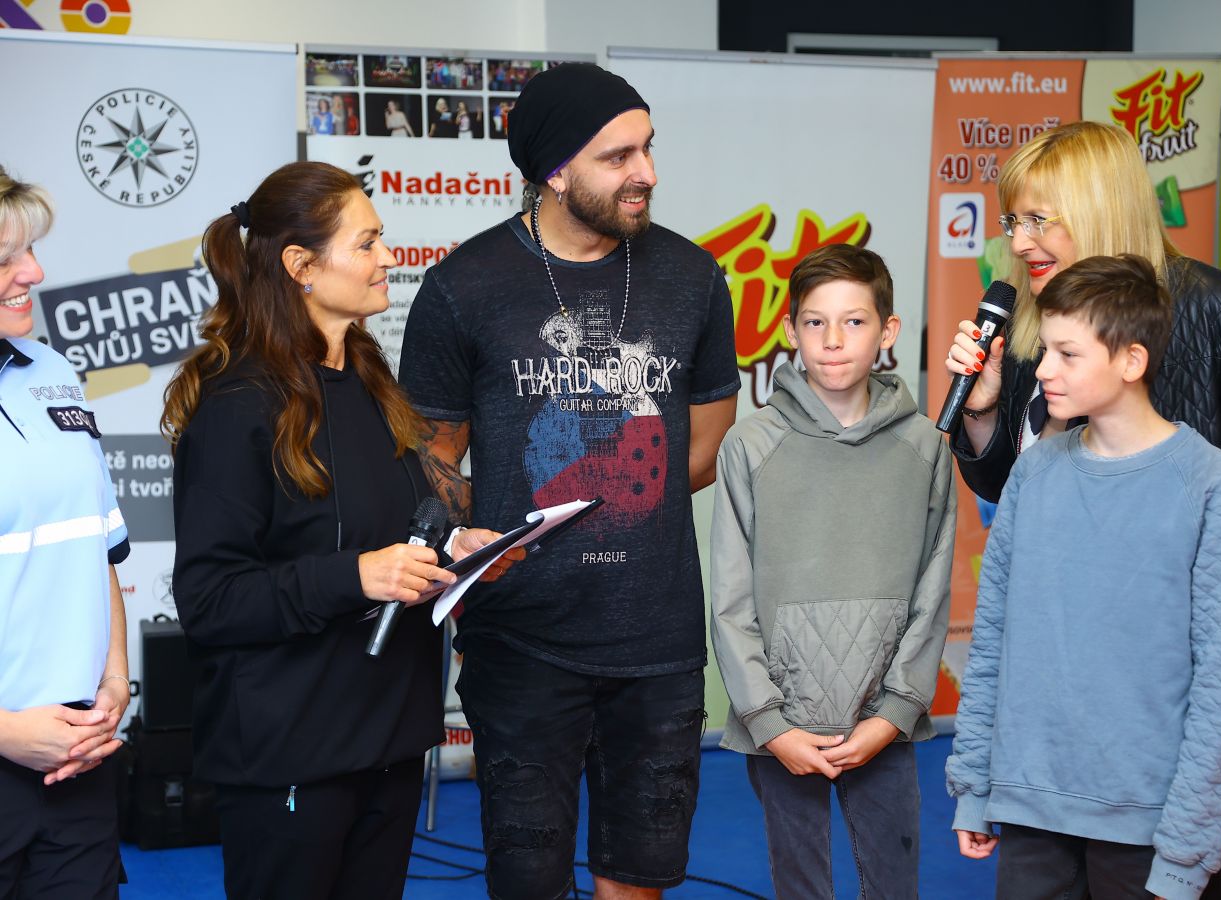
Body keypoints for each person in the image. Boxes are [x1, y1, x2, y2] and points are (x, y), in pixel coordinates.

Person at [943, 121, 1221, 898]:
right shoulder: (1037, 322)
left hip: (1156, 703)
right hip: (1053, 704)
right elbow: (1015, 489)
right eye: (1013, 221)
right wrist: (984, 414)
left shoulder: (1217, 306)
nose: (1020, 241)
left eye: (1038, 218)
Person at [399, 62, 739, 899]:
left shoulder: (692, 278)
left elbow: (704, 447)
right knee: (528, 879)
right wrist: (491, 527)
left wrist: (615, 493)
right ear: (554, 171)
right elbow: (431, 462)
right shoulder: (461, 288)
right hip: (519, 642)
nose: (647, 173)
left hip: (656, 642)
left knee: (639, 876)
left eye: (649, 148)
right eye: (619, 155)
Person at [162, 161, 515, 900]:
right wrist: (356, 576)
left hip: (386, 740)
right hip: (290, 755)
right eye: (368, 244)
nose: (389, 259)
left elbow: (391, 531)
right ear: (301, 266)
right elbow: (211, 599)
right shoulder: (236, 407)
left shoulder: (369, 380)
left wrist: (454, 551)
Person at [947, 254, 1221, 900]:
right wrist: (975, 788)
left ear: (1132, 361)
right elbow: (993, 644)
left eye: (1067, 354)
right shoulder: (1033, 475)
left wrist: (1188, 846)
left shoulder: (1210, 484)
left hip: (1150, 823)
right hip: (1032, 811)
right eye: (1045, 351)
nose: (1043, 371)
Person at [710, 244, 956, 900]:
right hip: (785, 729)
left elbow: (934, 593)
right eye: (815, 323)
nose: (833, 341)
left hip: (884, 723)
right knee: (802, 889)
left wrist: (894, 712)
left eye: (854, 321)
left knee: (893, 885)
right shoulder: (751, 444)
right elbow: (729, 599)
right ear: (790, 332)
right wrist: (770, 723)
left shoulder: (926, 448)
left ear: (888, 330)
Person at [0, 167, 130, 898]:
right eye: (6, 260)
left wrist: (113, 681)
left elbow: (97, 548)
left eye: (32, 250)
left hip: (79, 754)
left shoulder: (53, 369)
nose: (35, 273)